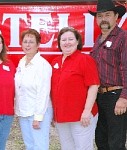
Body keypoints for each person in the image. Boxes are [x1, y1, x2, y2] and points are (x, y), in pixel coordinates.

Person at [51, 27, 100, 150]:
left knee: (83, 147)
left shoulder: (85, 60)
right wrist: (54, 115)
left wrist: (87, 111)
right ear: (59, 43)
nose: (67, 42)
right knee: (67, 147)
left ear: (77, 41)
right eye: (63, 40)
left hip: (81, 116)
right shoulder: (55, 62)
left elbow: (94, 86)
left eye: (71, 39)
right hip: (61, 117)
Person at [88, 0, 127, 149]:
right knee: (101, 140)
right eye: (100, 16)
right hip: (100, 97)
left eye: (107, 15)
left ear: (116, 16)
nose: (103, 19)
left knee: (116, 143)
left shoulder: (123, 38)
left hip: (116, 96)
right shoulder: (98, 40)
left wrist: (124, 98)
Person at [15, 29, 53, 150]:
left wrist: (38, 117)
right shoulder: (22, 62)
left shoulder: (42, 65)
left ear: (38, 45)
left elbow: (43, 92)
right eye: (25, 41)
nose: (27, 45)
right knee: (29, 145)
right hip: (24, 112)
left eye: (31, 42)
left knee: (40, 146)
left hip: (38, 113)